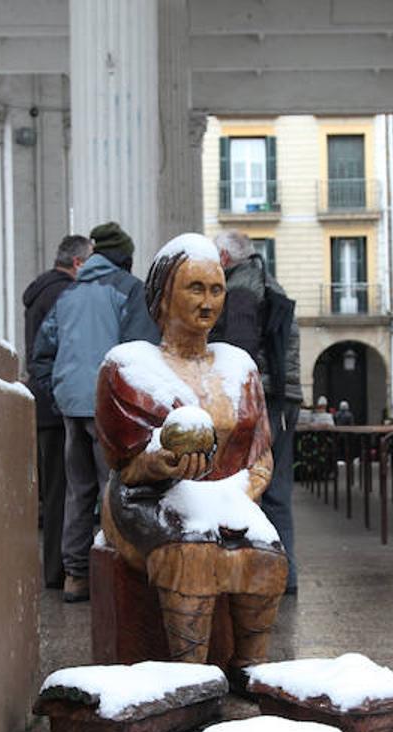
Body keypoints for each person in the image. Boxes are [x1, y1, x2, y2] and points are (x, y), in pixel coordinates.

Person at [95, 233, 287, 675]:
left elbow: (260, 452)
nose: (208, 303)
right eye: (195, 289)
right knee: (194, 554)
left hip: (230, 496)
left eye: (216, 290)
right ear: (164, 296)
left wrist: (244, 493)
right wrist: (156, 463)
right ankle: (192, 676)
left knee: (265, 553)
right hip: (147, 497)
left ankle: (249, 670)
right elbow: (123, 464)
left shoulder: (239, 366)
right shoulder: (127, 366)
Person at [29, 222, 159, 602]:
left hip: (71, 405)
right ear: (125, 257)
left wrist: (59, 394)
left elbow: (42, 353)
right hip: (109, 406)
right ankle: (115, 570)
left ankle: (76, 575)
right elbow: (140, 353)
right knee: (114, 488)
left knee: (77, 490)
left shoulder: (69, 294)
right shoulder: (128, 290)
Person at [212, 230, 302, 595]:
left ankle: (258, 578)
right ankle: (285, 576)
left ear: (223, 257)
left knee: (247, 488)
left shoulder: (241, 290)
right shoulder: (269, 281)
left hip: (261, 397)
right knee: (277, 489)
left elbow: (239, 350)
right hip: (285, 396)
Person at [22, 234, 91, 590]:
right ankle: (61, 571)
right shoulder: (63, 295)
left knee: (53, 493)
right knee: (67, 493)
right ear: (78, 263)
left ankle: (52, 570)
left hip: (41, 403)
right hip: (59, 404)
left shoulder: (38, 293)